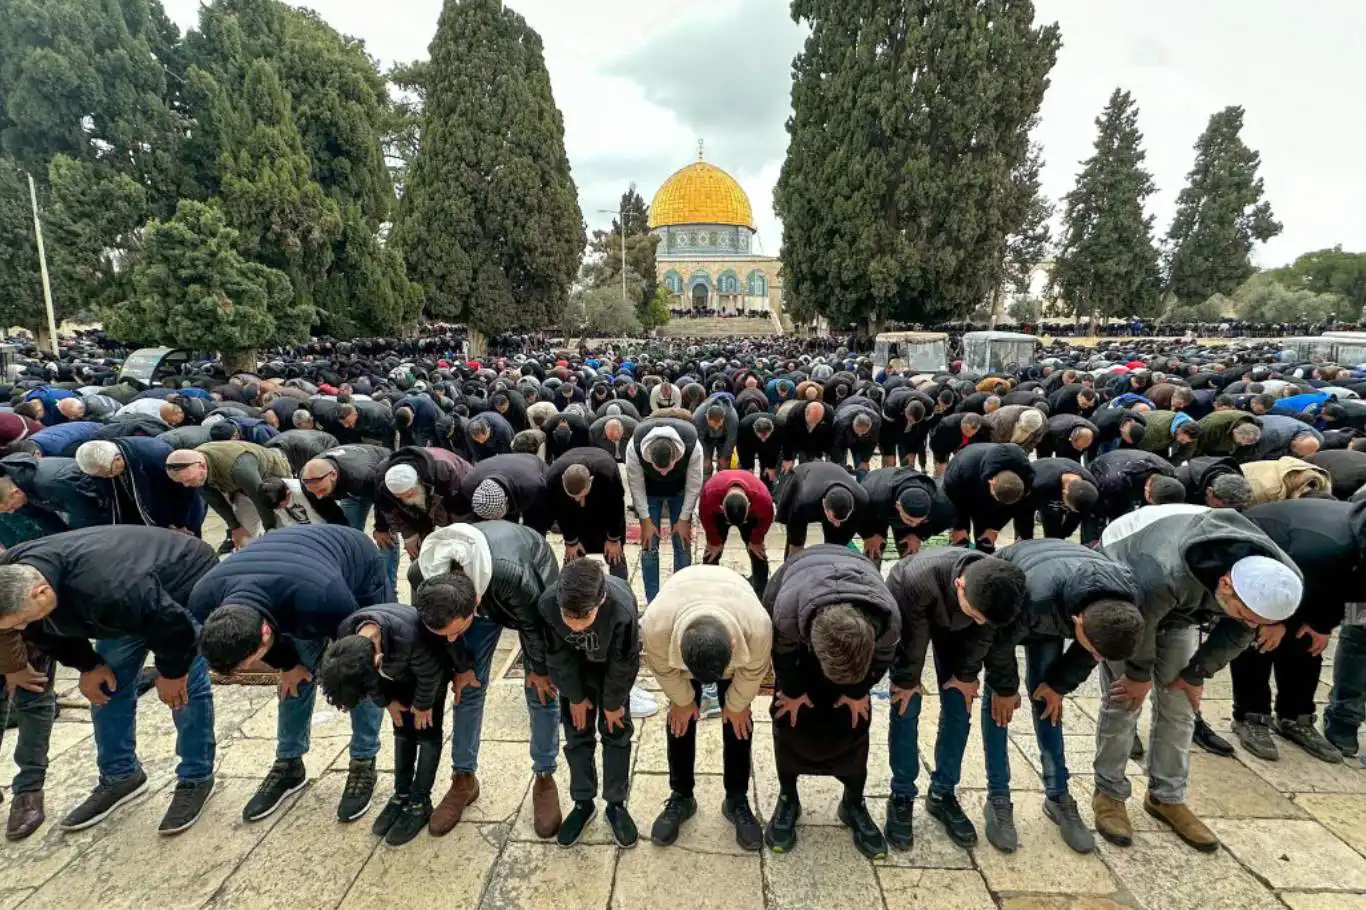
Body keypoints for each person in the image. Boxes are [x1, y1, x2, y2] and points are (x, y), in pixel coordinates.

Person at [1094, 504, 1303, 853]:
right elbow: (1139, 621)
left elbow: (1241, 628)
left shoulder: (1280, 577)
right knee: (1124, 699)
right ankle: (1109, 794)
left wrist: (1197, 673)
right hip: (1128, 575)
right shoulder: (1161, 570)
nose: (1250, 624)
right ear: (1225, 585)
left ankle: (1167, 797)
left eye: (1257, 620)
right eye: (1243, 613)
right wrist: (1137, 673)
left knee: (1180, 702)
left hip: (1184, 602)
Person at [0, 527, 219, 834]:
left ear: (41, 592)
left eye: (23, 619)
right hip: (131, 597)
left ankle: (196, 777)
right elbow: (41, 630)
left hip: (182, 580)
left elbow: (174, 627)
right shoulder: (13, 574)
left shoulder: (108, 587)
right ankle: (121, 776)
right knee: (105, 688)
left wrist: (172, 673)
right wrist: (88, 665)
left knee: (185, 691)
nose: (22, 627)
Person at [189, 525, 394, 824]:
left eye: (253, 661)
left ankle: (363, 760)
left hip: (355, 563)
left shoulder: (323, 598)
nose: (254, 670)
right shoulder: (203, 601)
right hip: (287, 574)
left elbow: (357, 655)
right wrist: (287, 664)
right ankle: (289, 764)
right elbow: (276, 654)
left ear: (265, 631)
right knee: (293, 678)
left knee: (356, 673)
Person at [983, 540, 1144, 854]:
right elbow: (997, 642)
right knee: (999, 705)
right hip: (1021, 603)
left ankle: (1058, 795)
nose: (1095, 655)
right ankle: (998, 797)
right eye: (1093, 647)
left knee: (1048, 698)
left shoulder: (1124, 604)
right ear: (1079, 622)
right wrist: (1004, 688)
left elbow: (1097, 648)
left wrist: (1060, 684)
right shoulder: (1029, 596)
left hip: (1062, 605)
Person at [410, 522, 563, 839]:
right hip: (472, 593)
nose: (451, 637)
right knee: (467, 689)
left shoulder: (512, 574)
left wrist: (537, 668)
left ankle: (545, 776)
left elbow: (534, 623)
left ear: (475, 605)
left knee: (541, 690)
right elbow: (439, 632)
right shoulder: (421, 576)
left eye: (457, 629)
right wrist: (462, 666)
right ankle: (464, 778)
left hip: (527, 578)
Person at [883, 548, 1026, 850]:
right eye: (975, 614)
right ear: (960, 584)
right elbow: (911, 642)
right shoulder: (914, 580)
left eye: (982, 618)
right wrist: (908, 680)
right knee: (906, 703)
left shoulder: (1001, 588)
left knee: (959, 704)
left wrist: (966, 674)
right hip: (914, 613)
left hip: (959, 636)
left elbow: (986, 633)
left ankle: (942, 793)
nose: (979, 621)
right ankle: (902, 794)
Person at [763, 544, 900, 858]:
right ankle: (788, 797)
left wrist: (855, 692)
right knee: (788, 712)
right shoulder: (786, 611)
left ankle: (853, 802)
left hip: (854, 614)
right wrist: (794, 692)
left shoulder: (888, 620)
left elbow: (882, 660)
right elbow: (782, 654)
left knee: (856, 716)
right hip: (801, 589)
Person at [643, 565, 770, 850]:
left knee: (738, 720)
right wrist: (683, 700)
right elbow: (664, 669)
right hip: (683, 601)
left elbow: (753, 671)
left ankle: (736, 799)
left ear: (734, 643)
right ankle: (681, 796)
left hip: (732, 603)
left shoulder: (757, 627)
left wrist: (736, 704)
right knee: (680, 718)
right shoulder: (656, 625)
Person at [1230, 498, 1366, 763]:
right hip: (1264, 559)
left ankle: (1295, 716)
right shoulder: (1327, 545)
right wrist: (1273, 621)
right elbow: (1296, 580)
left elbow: (1357, 591)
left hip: (1315, 573)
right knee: (1261, 639)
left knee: (1308, 642)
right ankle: (1250, 715)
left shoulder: (1356, 547)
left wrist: (1323, 625)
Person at [319, 602, 449, 847]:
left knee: (426, 732)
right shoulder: (347, 634)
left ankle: (420, 802)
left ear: (378, 660)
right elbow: (368, 683)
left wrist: (422, 705)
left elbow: (431, 672)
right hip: (394, 677)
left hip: (430, 677)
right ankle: (401, 795)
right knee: (402, 728)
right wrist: (387, 701)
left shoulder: (409, 636)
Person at [539, 559, 642, 848]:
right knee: (576, 734)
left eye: (583, 617)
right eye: (568, 616)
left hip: (611, 671)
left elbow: (625, 661)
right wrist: (575, 696)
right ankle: (583, 802)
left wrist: (612, 703)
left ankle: (616, 804)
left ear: (602, 599)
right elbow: (556, 655)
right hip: (575, 674)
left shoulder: (621, 607)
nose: (574, 625)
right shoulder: (547, 604)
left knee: (617, 734)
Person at [625, 415, 704, 602]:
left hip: (680, 490)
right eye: (658, 468)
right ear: (648, 455)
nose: (663, 473)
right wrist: (645, 519)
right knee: (649, 544)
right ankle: (653, 602)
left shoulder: (692, 445)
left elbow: (694, 484)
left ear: (676, 455)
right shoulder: (634, 446)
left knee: (682, 541)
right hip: (650, 492)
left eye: (668, 467)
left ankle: (681, 599)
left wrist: (684, 518)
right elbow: (635, 485)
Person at [298, 444, 399, 587]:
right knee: (344, 537)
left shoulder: (361, 475)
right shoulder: (308, 481)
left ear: (333, 475)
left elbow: (385, 500)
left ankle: (387, 587)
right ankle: (354, 581)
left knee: (386, 538)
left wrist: (381, 527)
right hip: (349, 486)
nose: (319, 496)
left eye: (322, 490)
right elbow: (329, 511)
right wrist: (342, 531)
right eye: (315, 493)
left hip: (380, 477)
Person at [165, 442, 291, 548]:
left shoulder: (240, 469)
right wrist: (235, 527)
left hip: (272, 483)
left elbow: (260, 498)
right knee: (244, 535)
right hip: (239, 487)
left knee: (281, 530)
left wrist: (270, 528)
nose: (187, 485)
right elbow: (216, 501)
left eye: (189, 480)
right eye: (181, 482)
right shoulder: (196, 472)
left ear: (202, 466)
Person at [546, 447, 628, 580]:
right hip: (573, 516)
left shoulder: (607, 474)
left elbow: (616, 507)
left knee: (615, 555)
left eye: (580, 495)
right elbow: (559, 510)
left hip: (605, 513)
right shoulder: (553, 477)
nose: (577, 499)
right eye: (572, 496)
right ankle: (569, 593)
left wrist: (613, 538)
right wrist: (570, 540)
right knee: (573, 560)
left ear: (591, 480)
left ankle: (621, 591)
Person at [941, 442, 1032, 554]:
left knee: (986, 540)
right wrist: (958, 526)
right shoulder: (963, 467)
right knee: (960, 540)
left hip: (988, 494)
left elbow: (1013, 508)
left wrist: (995, 527)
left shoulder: (1027, 477)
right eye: (995, 497)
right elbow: (951, 498)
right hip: (964, 488)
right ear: (992, 481)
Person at [698, 468, 774, 595]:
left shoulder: (762, 498)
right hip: (719, 509)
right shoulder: (711, 493)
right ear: (721, 506)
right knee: (712, 552)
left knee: (758, 552)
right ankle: (709, 589)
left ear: (749, 506)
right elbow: (705, 516)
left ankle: (761, 592)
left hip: (751, 512)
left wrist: (756, 539)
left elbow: (767, 519)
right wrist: (714, 539)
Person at [857, 467, 955, 561]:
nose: (913, 525)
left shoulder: (941, 504)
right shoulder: (872, 496)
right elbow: (855, 514)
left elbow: (947, 521)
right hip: (877, 509)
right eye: (910, 520)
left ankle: (907, 574)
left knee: (909, 549)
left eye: (920, 521)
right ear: (898, 505)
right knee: (873, 549)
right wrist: (868, 534)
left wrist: (919, 534)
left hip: (904, 503)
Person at [774, 460, 868, 558]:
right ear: (823, 504)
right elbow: (794, 530)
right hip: (804, 475)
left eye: (841, 520)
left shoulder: (862, 498)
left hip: (834, 474)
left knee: (836, 546)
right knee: (795, 546)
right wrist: (796, 547)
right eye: (834, 519)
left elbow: (854, 528)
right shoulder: (804, 500)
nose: (837, 524)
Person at [461, 452, 553, 534]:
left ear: (507, 500)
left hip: (530, 463)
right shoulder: (469, 485)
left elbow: (545, 514)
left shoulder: (535, 487)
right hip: (497, 466)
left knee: (534, 526)